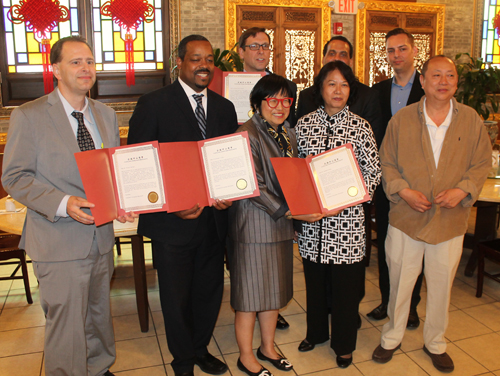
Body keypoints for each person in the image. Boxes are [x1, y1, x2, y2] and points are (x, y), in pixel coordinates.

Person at [1, 36, 136, 376]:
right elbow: (15, 176)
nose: (85, 68)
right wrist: (62, 203)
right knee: (67, 327)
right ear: (55, 69)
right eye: (75, 62)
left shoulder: (105, 115)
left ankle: (99, 368)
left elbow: (109, 173)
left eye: (89, 61)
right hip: (57, 239)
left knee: (98, 316)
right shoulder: (29, 116)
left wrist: (121, 202)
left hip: (101, 238)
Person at [372, 56, 491, 373]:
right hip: (406, 219)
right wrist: (403, 191)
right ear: (422, 81)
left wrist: (463, 190)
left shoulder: (470, 119)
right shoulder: (403, 119)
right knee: (399, 283)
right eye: (435, 74)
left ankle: (435, 342)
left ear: (456, 82)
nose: (443, 80)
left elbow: (481, 165)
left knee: (441, 287)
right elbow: (386, 163)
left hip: (448, 223)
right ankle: (392, 337)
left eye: (449, 75)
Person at [127, 35, 238, 376]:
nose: (204, 65)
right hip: (171, 223)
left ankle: (200, 348)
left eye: (208, 59)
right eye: (195, 58)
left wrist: (229, 193)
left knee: (208, 292)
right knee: (176, 299)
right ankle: (182, 361)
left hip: (213, 221)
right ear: (180, 61)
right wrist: (170, 206)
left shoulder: (223, 107)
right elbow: (138, 166)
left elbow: (230, 163)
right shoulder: (154, 104)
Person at [295, 61, 381, 368]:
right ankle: (316, 333)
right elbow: (296, 172)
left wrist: (349, 197)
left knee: (345, 291)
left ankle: (343, 345)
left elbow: (373, 173)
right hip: (313, 225)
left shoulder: (361, 127)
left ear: (351, 90)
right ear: (320, 88)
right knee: (315, 284)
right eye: (331, 84)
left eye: (344, 85)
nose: (337, 90)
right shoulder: (303, 125)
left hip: (346, 224)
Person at [229, 74, 298, 376]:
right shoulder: (246, 134)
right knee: (249, 296)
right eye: (273, 99)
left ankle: (267, 347)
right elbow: (252, 185)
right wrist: (288, 210)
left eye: (286, 99)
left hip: (281, 226)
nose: (280, 106)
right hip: (254, 228)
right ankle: (246, 356)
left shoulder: (288, 134)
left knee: (273, 292)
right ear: (258, 103)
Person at [368, 28, 426, 327]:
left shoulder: (427, 88)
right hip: (387, 181)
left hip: (419, 183)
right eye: (391, 50)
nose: (396, 55)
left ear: (414, 50)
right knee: (389, 244)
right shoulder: (378, 91)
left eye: (402, 49)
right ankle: (387, 300)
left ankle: (411, 305)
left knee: (415, 245)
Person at [296, 36, 382, 140]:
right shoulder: (306, 96)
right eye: (332, 54)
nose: (336, 58)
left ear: (350, 62)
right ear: (323, 59)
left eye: (343, 54)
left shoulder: (368, 96)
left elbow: (374, 139)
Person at [239, 27, 297, 129]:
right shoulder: (227, 86)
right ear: (241, 52)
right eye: (254, 46)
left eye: (265, 46)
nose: (261, 51)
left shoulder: (288, 86)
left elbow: (289, 128)